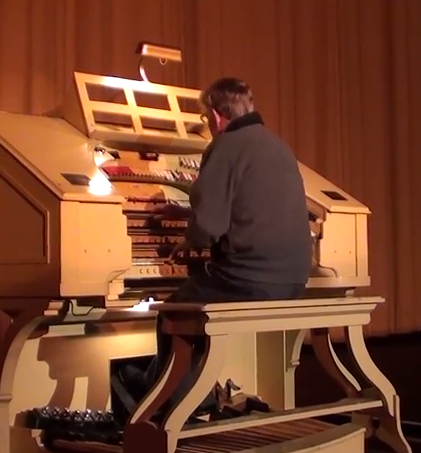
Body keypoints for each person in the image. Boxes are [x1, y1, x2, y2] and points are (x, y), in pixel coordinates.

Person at [117, 77, 314, 420]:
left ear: (215, 115)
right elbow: (247, 209)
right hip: (294, 278)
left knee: (175, 312)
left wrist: (186, 242)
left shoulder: (225, 146)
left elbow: (208, 228)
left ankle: (173, 408)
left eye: (207, 120)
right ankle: (181, 389)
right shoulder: (278, 146)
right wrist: (185, 214)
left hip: (249, 280)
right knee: (196, 302)